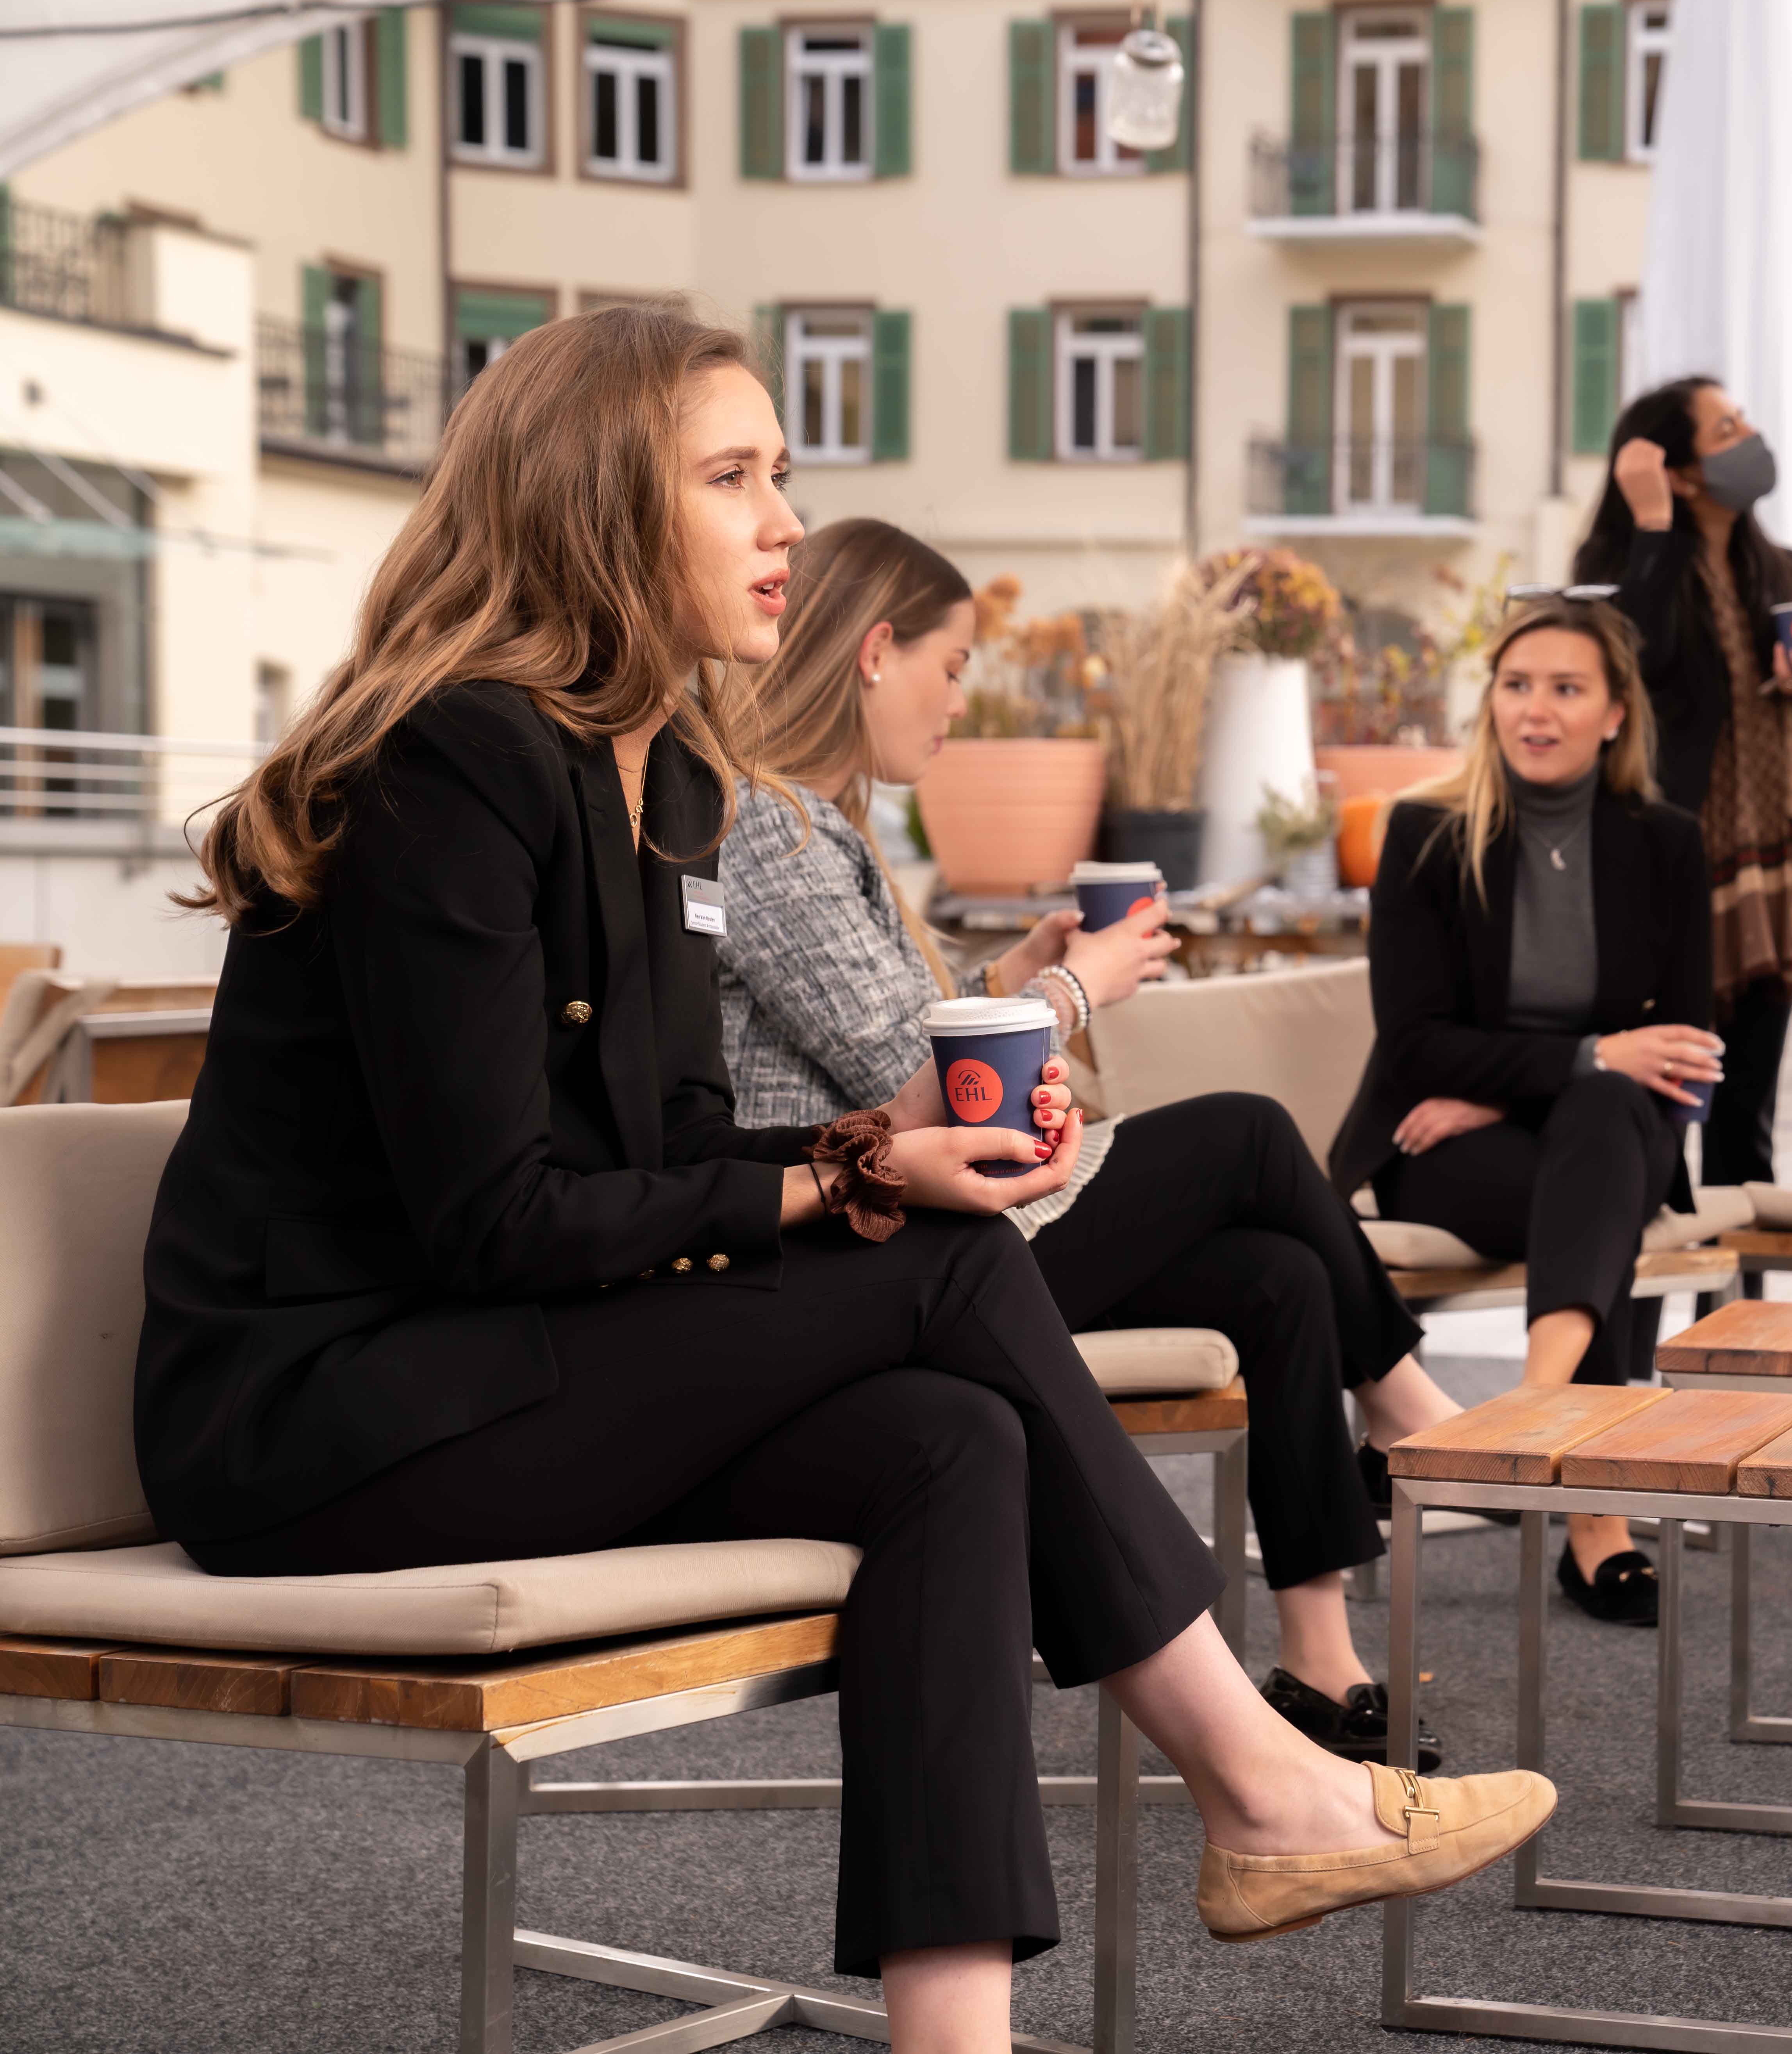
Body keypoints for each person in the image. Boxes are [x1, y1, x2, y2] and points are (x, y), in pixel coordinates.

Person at [132, 307, 1552, 2049]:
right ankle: (1262, 1783)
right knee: (941, 1270)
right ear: (592, 506)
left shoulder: (641, 777)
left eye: (780, 474)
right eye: (731, 478)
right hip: (321, 1424)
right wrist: (849, 1174)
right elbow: (494, 1212)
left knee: (953, 1437)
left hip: (494, 1371)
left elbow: (642, 1157)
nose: (786, 521)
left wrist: (869, 1155)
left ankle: (959, 2036)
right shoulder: (449, 760)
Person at [714, 516, 1470, 1767]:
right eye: (953, 669)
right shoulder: (770, 829)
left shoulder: (818, 826)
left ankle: (1322, 1667)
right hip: (887, 1245)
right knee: (1250, 1137)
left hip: (932, 1216)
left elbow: (880, 1030)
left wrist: (1004, 972)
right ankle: (1412, 1414)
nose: (960, 703)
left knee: (1278, 1282)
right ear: (875, 651)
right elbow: (912, 1086)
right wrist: (1079, 990)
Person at [1329, 597, 1721, 1627]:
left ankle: (1521, 1416)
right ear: (1490, 702)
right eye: (1516, 685)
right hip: (1444, 1149)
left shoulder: (1669, 844)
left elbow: (1684, 1058)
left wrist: (1515, 1082)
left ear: (1615, 713)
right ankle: (1594, 1517)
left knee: (1603, 1125)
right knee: (1598, 1146)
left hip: (1597, 1135)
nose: (1535, 710)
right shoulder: (1422, 831)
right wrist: (1583, 1058)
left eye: (1566, 688)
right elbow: (1413, 1043)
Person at [1575, 378, 1792, 1194]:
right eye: (1727, 428)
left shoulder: (1788, 569)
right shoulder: (1615, 571)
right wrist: (1655, 526)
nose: (1751, 435)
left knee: (1747, 1131)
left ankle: (1743, 1322)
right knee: (1662, 1124)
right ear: (1682, 472)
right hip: (1676, 877)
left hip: (1779, 872)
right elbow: (1641, 661)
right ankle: (1646, 1313)